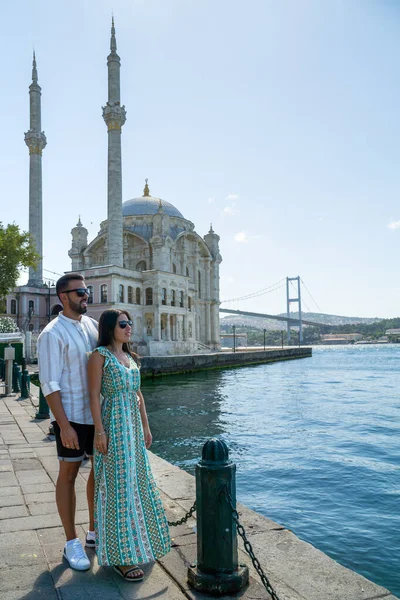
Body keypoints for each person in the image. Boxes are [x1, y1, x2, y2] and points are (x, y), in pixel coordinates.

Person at [87, 309, 170, 581]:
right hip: (113, 428)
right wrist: (99, 431)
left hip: (133, 430)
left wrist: (146, 426)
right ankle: (120, 557)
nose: (129, 327)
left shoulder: (131, 358)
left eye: (130, 323)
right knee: (116, 490)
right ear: (110, 327)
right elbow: (94, 396)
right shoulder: (99, 356)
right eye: (123, 324)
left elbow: (138, 394)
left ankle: (140, 544)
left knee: (138, 484)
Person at [38, 273, 98, 571]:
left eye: (86, 291)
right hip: (72, 417)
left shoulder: (92, 325)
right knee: (69, 474)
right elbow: (49, 383)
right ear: (64, 297)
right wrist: (63, 425)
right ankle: (71, 542)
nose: (86, 296)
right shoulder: (51, 334)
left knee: (98, 472)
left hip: (97, 416)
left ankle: (93, 531)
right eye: (81, 292)